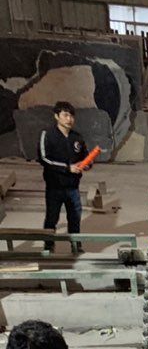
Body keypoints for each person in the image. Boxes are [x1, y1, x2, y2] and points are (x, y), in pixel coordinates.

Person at [38, 101, 88, 255]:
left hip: (73, 187)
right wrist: (67, 168)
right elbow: (44, 159)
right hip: (55, 187)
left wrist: (86, 164)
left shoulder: (77, 138)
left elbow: (85, 157)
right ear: (56, 116)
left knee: (75, 218)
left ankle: (76, 246)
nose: (69, 119)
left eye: (71, 116)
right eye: (65, 115)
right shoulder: (48, 135)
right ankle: (49, 245)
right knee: (52, 218)